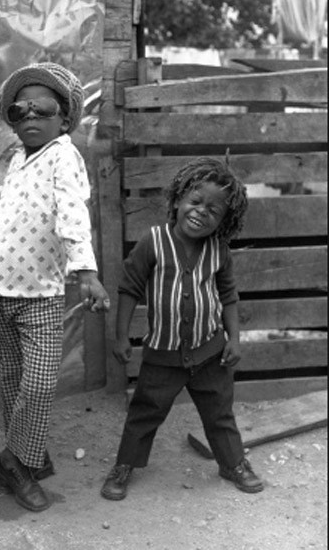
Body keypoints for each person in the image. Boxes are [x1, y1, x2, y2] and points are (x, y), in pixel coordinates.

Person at [0, 62, 110, 512]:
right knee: (15, 380)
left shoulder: (64, 155)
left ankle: (12, 462)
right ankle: (28, 459)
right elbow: (18, 213)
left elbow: (71, 212)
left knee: (38, 384)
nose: (31, 117)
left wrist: (86, 272)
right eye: (21, 111)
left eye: (44, 108)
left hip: (39, 294)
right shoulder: (18, 160)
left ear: (65, 118)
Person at [101, 157, 264, 501]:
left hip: (210, 352)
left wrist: (233, 339)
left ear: (224, 221)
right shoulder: (153, 242)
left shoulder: (218, 250)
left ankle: (233, 463)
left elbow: (228, 295)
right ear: (177, 200)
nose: (201, 212)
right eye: (195, 201)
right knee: (145, 412)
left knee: (220, 413)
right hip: (163, 354)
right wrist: (121, 337)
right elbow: (129, 288)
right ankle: (125, 465)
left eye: (214, 210)